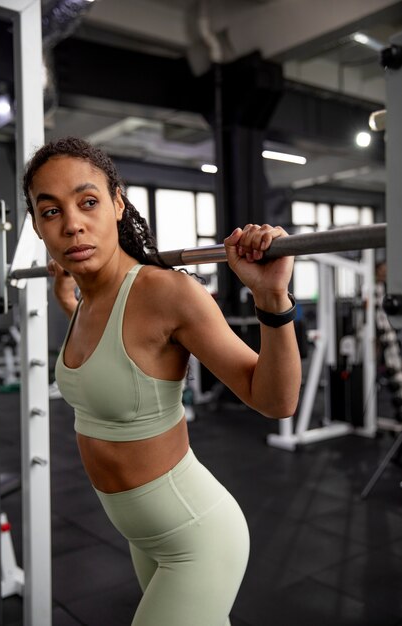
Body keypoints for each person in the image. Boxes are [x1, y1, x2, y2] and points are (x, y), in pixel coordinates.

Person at [23, 136, 301, 626]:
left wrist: (272, 298)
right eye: (51, 212)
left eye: (88, 202)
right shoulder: (86, 301)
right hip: (145, 537)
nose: (72, 224)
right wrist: (66, 294)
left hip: (197, 536)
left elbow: (276, 401)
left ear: (116, 204)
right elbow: (109, 353)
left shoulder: (166, 292)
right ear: (37, 227)